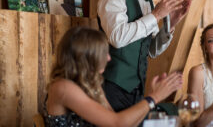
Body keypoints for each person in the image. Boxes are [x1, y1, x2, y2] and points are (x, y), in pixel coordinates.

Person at [97, 0, 191, 111]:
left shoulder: (149, 2)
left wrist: (170, 25)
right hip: (110, 87)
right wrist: (156, 15)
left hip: (137, 89)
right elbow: (117, 37)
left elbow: (150, 50)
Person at [45, 27, 183, 127]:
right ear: (86, 58)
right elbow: (117, 123)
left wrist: (153, 96)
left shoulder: (92, 83)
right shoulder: (63, 87)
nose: (109, 58)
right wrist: (154, 98)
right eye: (104, 53)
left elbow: (123, 124)